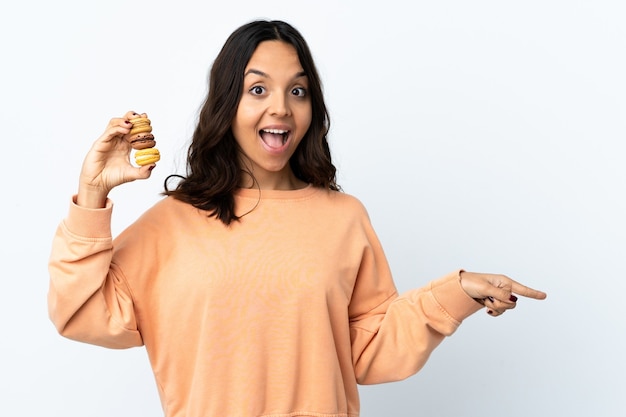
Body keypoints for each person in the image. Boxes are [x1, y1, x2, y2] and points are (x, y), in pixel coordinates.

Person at [48, 19, 547, 417]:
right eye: (258, 90)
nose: (282, 109)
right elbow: (81, 314)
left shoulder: (343, 217)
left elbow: (369, 351)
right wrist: (92, 195)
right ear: (228, 104)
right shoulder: (173, 223)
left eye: (298, 91)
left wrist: (459, 291)